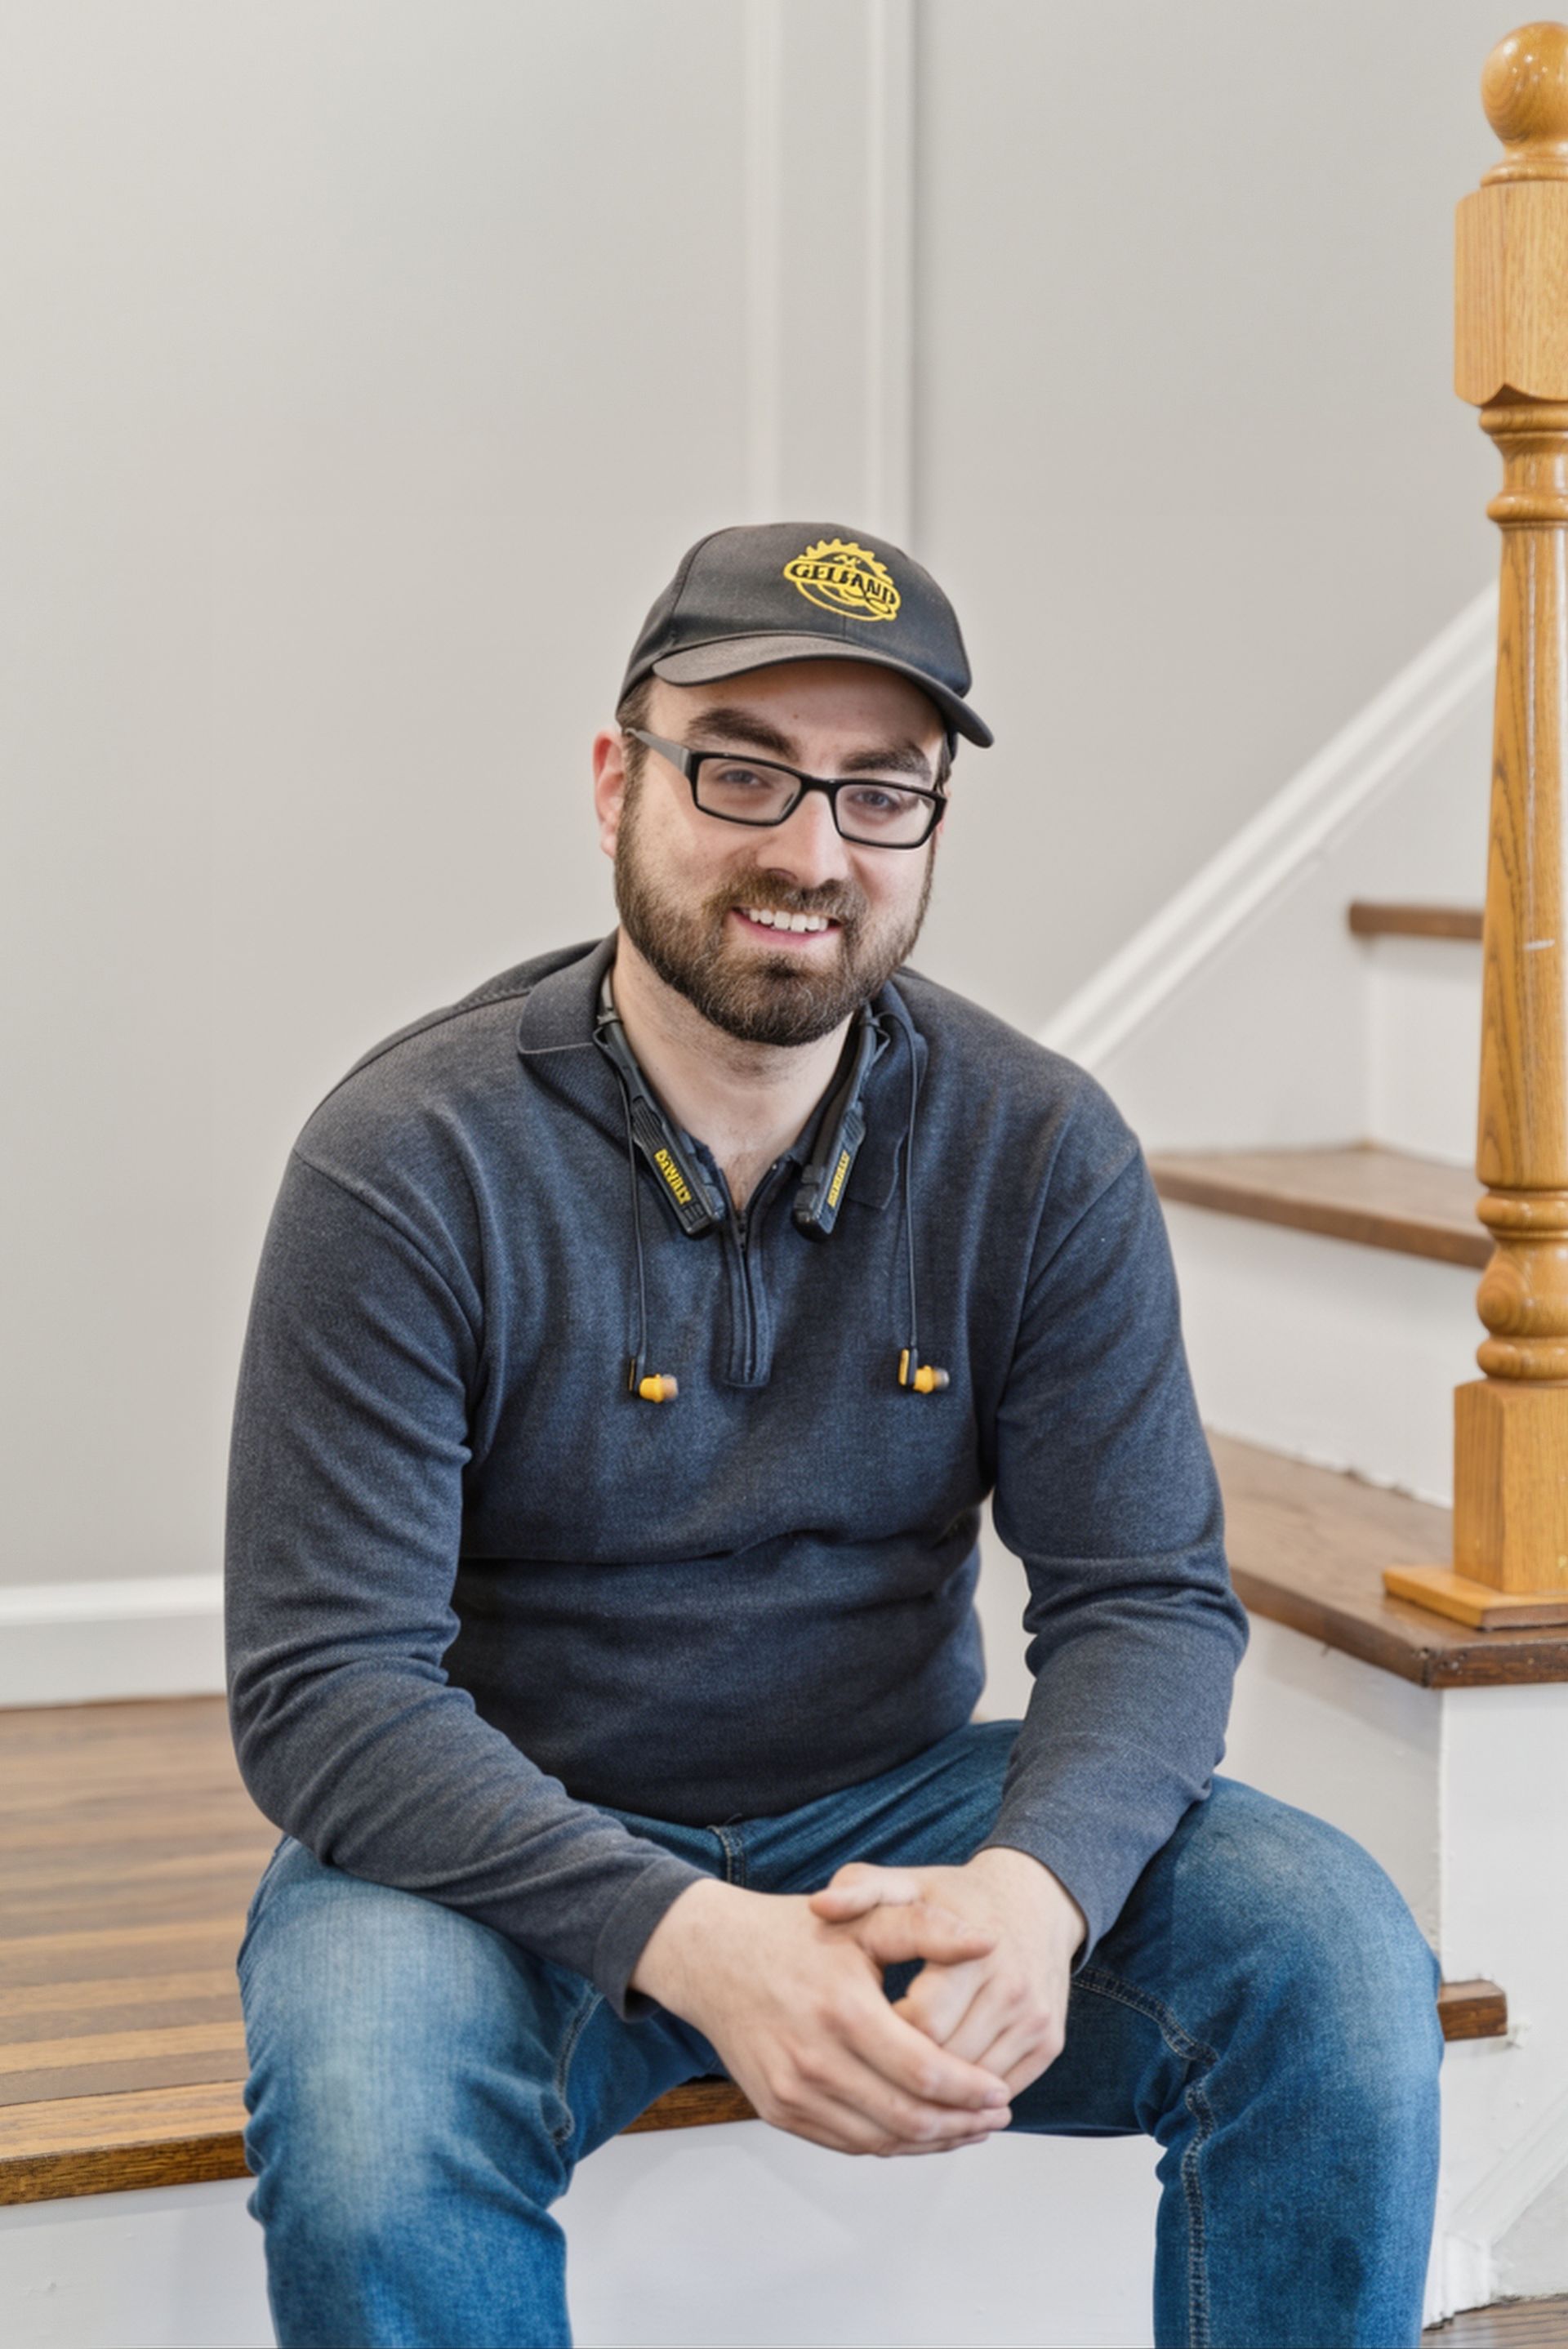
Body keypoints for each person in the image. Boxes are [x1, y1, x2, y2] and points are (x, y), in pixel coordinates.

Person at [226, 523, 1443, 2349]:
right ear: (614, 778)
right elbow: (327, 1687)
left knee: (1336, 1957)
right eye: (743, 770)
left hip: (897, 1817)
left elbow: (1148, 1602)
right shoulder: (409, 1160)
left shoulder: (1038, 1148)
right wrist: (692, 1937)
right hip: (507, 1850)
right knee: (370, 2114)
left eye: (882, 794)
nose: (811, 852)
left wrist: (1036, 1892)